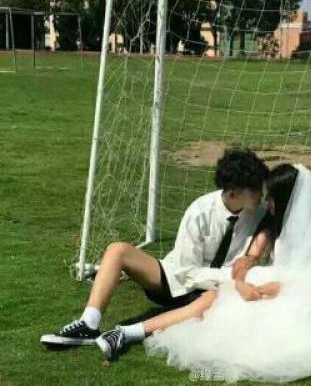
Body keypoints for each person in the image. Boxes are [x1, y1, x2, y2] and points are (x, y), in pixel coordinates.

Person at [144, 164, 311, 382]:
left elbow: (308, 280)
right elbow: (248, 258)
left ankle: (136, 331)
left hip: (299, 296)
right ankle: (135, 330)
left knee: (221, 315)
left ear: (286, 201)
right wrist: (241, 280)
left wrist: (264, 289)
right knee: (214, 300)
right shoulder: (271, 224)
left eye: (271, 197)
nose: (265, 201)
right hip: (269, 285)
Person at [40, 148, 270, 354]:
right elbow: (186, 273)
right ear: (232, 194)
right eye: (254, 191)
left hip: (216, 291)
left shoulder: (261, 213)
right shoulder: (199, 212)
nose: (261, 195)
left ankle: (127, 332)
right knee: (117, 250)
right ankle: (88, 323)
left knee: (214, 297)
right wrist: (230, 276)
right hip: (176, 282)